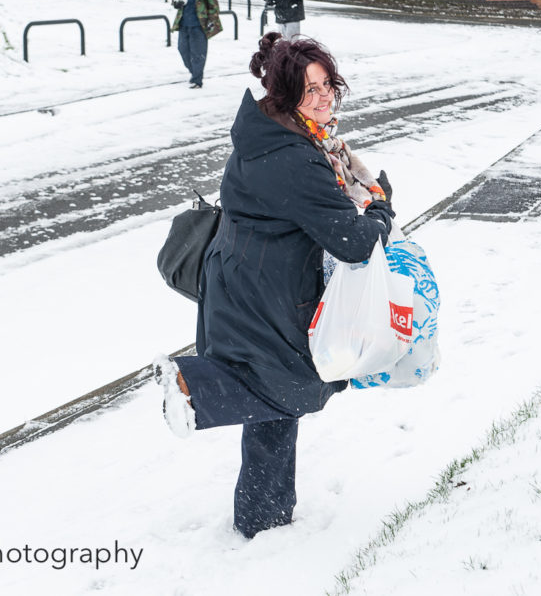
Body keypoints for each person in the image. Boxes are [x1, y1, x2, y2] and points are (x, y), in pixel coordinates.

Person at [154, 33, 395, 539]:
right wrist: (380, 209)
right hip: (265, 295)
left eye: (327, 84)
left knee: (273, 408)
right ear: (285, 94)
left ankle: (262, 519)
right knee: (296, 389)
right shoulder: (293, 156)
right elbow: (353, 242)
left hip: (241, 278)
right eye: (310, 90)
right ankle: (195, 388)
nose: (324, 97)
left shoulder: (267, 130)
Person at [171, 0, 222, 89]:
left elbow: (213, 3)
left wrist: (213, 19)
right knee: (183, 49)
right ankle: (195, 73)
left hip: (199, 23)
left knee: (198, 53)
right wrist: (176, 3)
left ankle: (197, 80)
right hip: (183, 22)